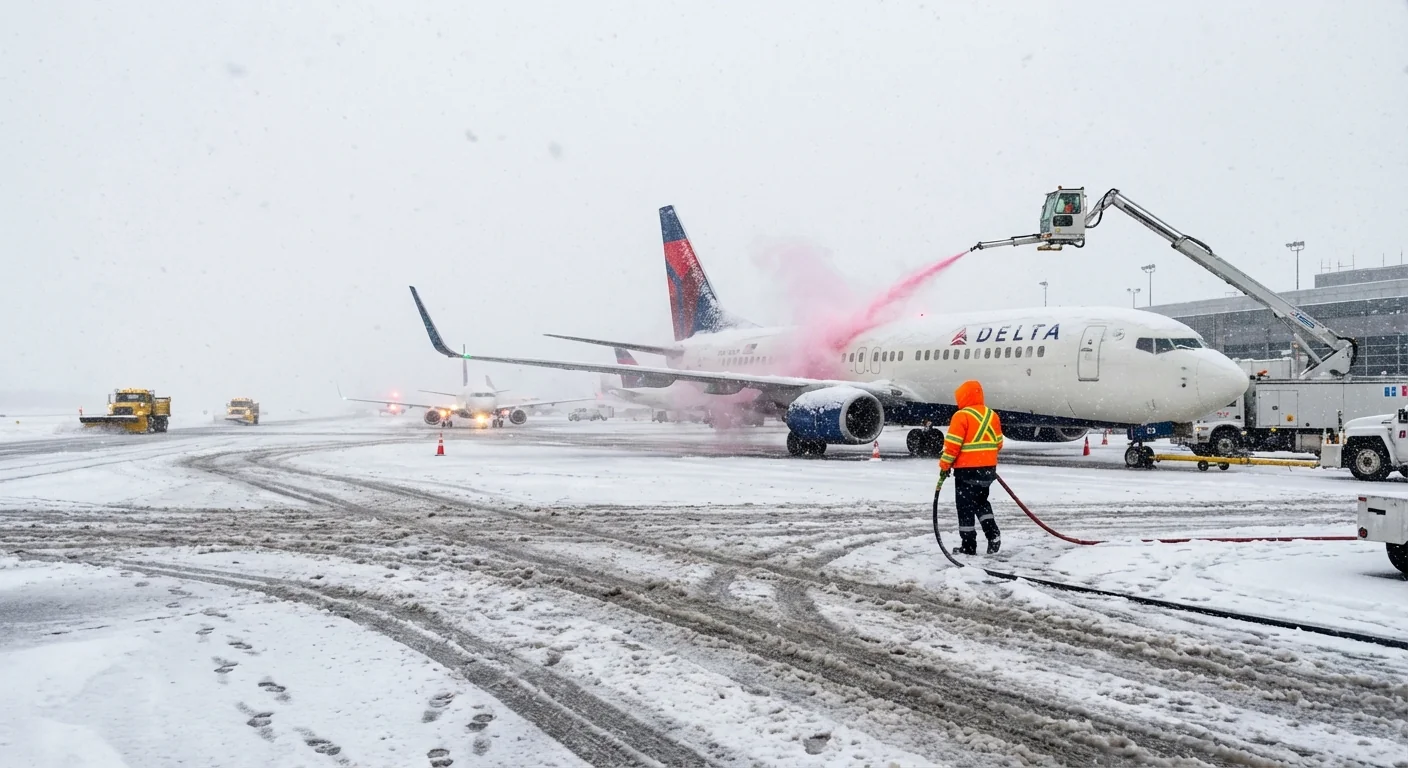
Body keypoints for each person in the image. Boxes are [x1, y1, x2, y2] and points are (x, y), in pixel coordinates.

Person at [938, 380, 1004, 555]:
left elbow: (953, 445)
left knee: (965, 507)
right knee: (982, 503)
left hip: (966, 472)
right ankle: (993, 535)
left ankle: (968, 546)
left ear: (963, 396)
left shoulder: (961, 416)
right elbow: (998, 443)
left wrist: (945, 465)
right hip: (988, 470)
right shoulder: (992, 415)